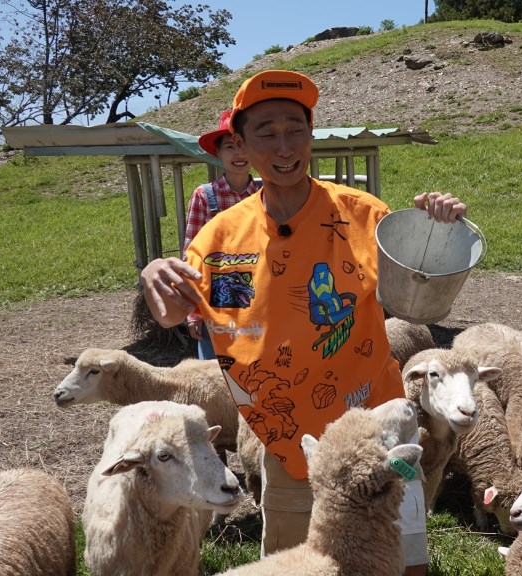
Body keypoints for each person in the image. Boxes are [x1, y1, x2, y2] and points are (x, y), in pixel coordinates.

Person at [139, 69, 466, 576]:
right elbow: (171, 313)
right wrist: (153, 273)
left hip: (373, 436)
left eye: (296, 129)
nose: (284, 144)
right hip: (287, 442)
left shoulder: (362, 215)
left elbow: (422, 300)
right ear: (241, 146)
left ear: (310, 135)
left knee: (401, 563)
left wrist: (435, 233)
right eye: (266, 132)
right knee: (295, 567)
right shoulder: (221, 235)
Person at [183, 109, 261, 359]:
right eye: (230, 147)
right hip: (217, 293)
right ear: (218, 152)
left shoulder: (267, 193)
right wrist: (193, 312)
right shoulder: (205, 196)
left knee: (257, 362)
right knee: (215, 368)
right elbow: (191, 257)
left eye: (243, 146)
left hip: (263, 289)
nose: (239, 154)